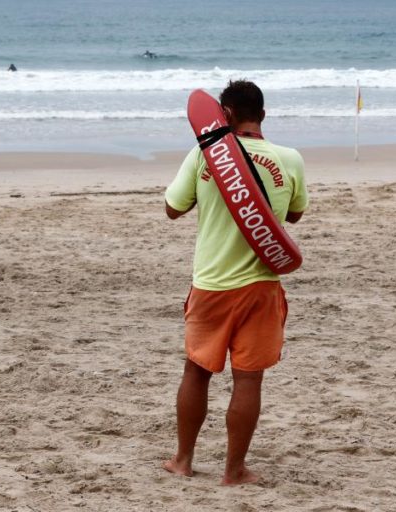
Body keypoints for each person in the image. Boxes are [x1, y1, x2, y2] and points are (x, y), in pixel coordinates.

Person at [163, 80, 308, 485]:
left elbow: (173, 209)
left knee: (196, 372)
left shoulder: (204, 155)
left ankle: (183, 460)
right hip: (261, 286)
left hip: (210, 284)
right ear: (262, 115)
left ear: (223, 115)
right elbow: (294, 216)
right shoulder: (290, 158)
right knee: (248, 379)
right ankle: (233, 471)